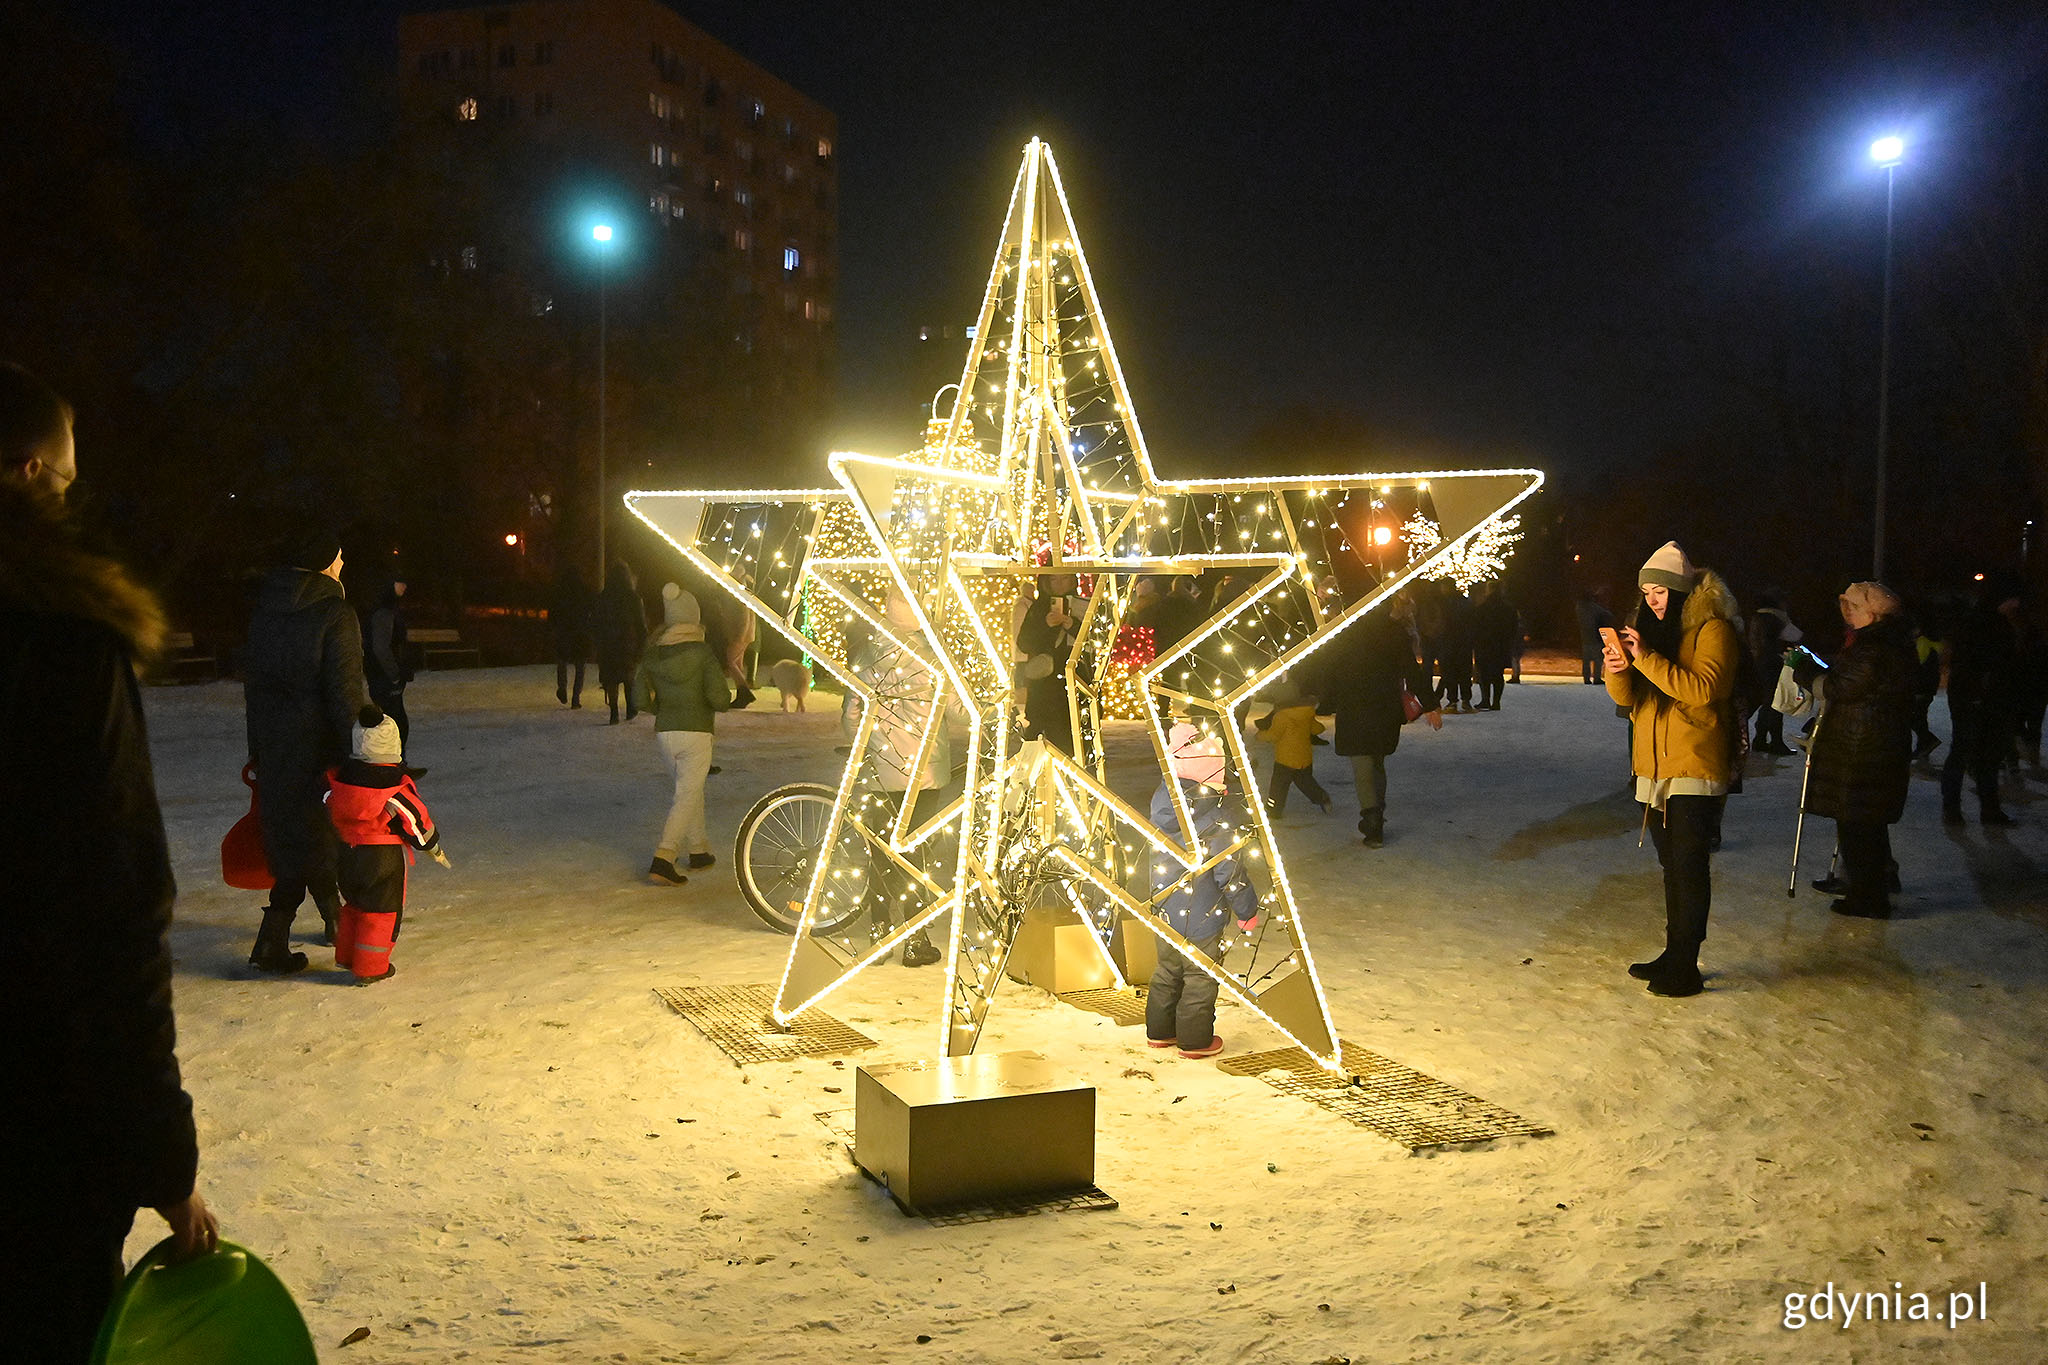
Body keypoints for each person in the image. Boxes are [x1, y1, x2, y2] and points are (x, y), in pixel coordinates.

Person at [1, 361, 220, 1361]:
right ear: (32, 472)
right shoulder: (58, 650)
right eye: (69, 479)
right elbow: (109, 913)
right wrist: (159, 1156)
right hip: (35, 1137)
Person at [1603, 541, 1739, 998]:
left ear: (1681, 592)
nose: (1653, 600)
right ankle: (1673, 951)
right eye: (1647, 593)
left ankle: (1687, 964)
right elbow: (1628, 699)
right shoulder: (1650, 633)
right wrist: (1618, 667)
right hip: (1654, 767)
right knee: (1670, 865)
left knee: (1688, 864)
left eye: (1661, 591)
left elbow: (1703, 689)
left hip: (1694, 763)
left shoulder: (1712, 630)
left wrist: (1646, 658)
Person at [244, 520, 371, 966]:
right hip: (322, 749)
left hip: (278, 748)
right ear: (323, 564)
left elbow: (253, 689)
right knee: (324, 840)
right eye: (338, 557)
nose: (343, 563)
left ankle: (298, 931)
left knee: (295, 839)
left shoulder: (264, 612)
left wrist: (257, 749)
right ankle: (294, 937)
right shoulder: (335, 614)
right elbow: (346, 692)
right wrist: (364, 749)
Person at [1790, 583, 1917, 918]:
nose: (1849, 615)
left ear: (1872, 613)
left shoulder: (1875, 647)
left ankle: (1869, 898)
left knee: (1859, 827)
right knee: (1863, 826)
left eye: (1855, 609)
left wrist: (1805, 672)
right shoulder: (1886, 643)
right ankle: (1866, 890)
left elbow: (1841, 687)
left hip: (1863, 749)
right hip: (1872, 745)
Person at [1144, 720, 1259, 1059]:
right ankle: (1195, 1041)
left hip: (1164, 909)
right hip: (1202, 915)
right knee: (1200, 975)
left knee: (1167, 969)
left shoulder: (1162, 808)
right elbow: (1231, 872)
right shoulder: (1215, 823)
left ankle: (1160, 1031)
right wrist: (1247, 911)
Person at [327, 704, 448, 982]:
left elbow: (329, 805)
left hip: (346, 852)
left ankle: (346, 956)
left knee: (354, 904)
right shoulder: (392, 785)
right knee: (380, 911)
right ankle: (371, 967)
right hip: (380, 857)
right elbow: (415, 819)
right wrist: (432, 846)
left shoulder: (342, 781)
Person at [861, 589, 948, 966]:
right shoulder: (931, 659)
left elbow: (852, 714)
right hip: (923, 773)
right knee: (916, 856)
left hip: (881, 770)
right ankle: (915, 938)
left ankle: (880, 931)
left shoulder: (869, 657)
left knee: (880, 854)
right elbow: (959, 709)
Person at [1320, 590, 1442, 848]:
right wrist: (1430, 704)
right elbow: (1412, 670)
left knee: (1362, 764)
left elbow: (1329, 669)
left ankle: (1372, 819)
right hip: (1384, 706)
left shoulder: (1346, 632)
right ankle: (1377, 814)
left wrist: (1321, 699)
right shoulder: (1395, 632)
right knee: (1376, 761)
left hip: (1354, 706)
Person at [635, 585, 731, 885]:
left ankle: (699, 849)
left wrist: (661, 707)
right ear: (694, 618)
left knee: (690, 789)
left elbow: (639, 699)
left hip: (666, 733)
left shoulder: (654, 652)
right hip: (697, 732)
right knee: (687, 793)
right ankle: (664, 857)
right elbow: (720, 698)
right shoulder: (702, 652)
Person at [1941, 572, 2023, 826]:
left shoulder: (1998, 622)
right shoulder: (1981, 623)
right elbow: (1969, 663)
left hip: (1991, 700)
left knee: (1989, 756)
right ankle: (1952, 809)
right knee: (1963, 751)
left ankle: (1990, 810)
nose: (2017, 606)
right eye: (2013, 600)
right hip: (1973, 699)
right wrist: (1976, 694)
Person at [1016, 571, 1079, 754]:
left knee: (1069, 736)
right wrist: (1045, 625)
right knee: (1037, 738)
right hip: (1043, 685)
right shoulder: (1039, 607)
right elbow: (1024, 642)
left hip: (1073, 683)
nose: (1059, 584)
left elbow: (1094, 640)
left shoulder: (1083, 605)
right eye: (1054, 579)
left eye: (1064, 578)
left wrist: (1071, 624)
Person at [1251, 675, 1331, 816]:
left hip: (1285, 760)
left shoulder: (1281, 716)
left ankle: (1274, 808)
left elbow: (1274, 735)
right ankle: (1321, 797)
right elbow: (1316, 729)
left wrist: (1261, 735)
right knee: (1305, 782)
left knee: (1278, 785)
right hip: (1304, 758)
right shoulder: (1307, 712)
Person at [1746, 590, 1800, 756]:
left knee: (1765, 702)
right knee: (1775, 703)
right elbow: (1796, 635)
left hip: (1757, 663)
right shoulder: (1776, 618)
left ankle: (1760, 740)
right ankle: (1776, 742)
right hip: (1772, 664)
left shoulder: (1756, 617)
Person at [361, 577, 412, 755]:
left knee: (395, 721)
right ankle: (392, 763)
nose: (405, 586)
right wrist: (395, 674)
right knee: (394, 723)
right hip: (384, 678)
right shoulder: (384, 612)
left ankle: (394, 761)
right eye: (400, 583)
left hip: (383, 676)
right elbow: (381, 647)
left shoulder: (388, 610)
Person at [593, 559, 648, 724]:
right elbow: (640, 623)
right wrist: (641, 643)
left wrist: (598, 641)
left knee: (611, 678)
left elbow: (595, 622)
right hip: (627, 642)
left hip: (607, 643)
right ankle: (631, 707)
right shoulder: (633, 597)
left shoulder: (603, 597)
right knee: (628, 675)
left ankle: (614, 711)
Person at [549, 563, 594, 708]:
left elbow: (553, 612)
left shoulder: (559, 591)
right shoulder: (585, 590)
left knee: (562, 661)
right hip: (581, 632)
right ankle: (576, 697)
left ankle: (562, 688)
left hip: (564, 631)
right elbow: (592, 609)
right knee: (580, 665)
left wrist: (553, 627)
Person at [1471, 581, 1518, 710]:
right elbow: (1514, 627)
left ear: (1489, 590)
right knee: (1498, 674)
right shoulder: (1508, 608)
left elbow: (1475, 627)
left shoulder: (1482, 608)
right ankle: (1496, 702)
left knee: (1484, 674)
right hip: (1501, 645)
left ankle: (1485, 699)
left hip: (1484, 645)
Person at [1438, 584, 1476, 713]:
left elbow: (1442, 623)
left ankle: (1453, 701)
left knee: (1450, 673)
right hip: (1464, 643)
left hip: (1449, 642)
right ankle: (1466, 701)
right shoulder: (1466, 602)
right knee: (1464, 673)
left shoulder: (1445, 603)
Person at [1575, 587, 1614, 685]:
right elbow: (1608, 614)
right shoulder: (1593, 607)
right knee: (1598, 659)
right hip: (1596, 636)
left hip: (1584, 637)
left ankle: (1586, 678)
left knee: (1586, 660)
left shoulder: (1579, 607)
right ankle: (1597, 678)